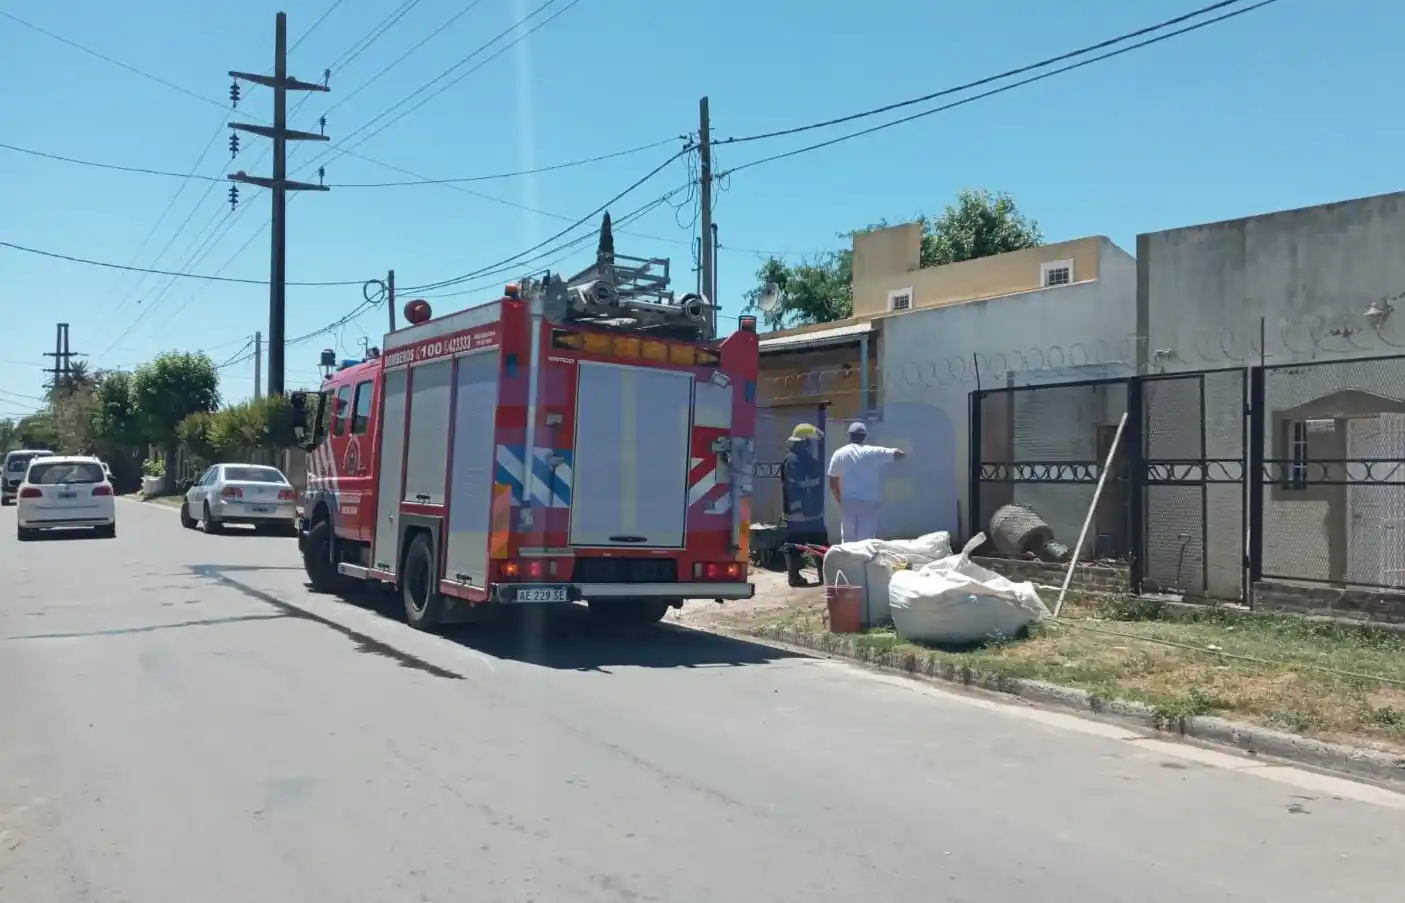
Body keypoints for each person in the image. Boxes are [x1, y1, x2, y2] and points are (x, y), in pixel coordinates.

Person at [827, 421, 905, 543]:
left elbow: (832, 481)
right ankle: (865, 561)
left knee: (848, 539)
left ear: (849, 435)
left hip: (849, 501)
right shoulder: (872, 451)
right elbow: (898, 453)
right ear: (865, 437)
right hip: (870, 501)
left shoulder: (840, 453)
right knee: (867, 540)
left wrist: (840, 500)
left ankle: (848, 561)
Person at [780, 423, 828, 587]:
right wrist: (798, 509)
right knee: (796, 547)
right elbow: (792, 487)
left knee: (819, 546)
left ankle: (823, 575)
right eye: (809, 441)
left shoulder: (806, 460)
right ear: (803, 441)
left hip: (811, 513)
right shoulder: (793, 461)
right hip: (799, 514)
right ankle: (795, 577)